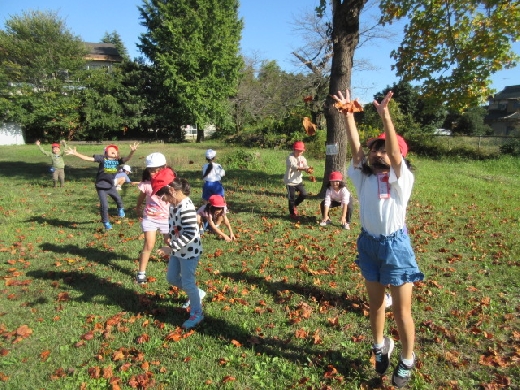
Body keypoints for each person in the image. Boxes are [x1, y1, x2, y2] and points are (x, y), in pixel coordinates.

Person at [332, 89, 423, 388]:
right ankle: (379, 345)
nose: (378, 153)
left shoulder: (402, 180)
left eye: (384, 149)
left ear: (398, 155)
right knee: (376, 306)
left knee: (401, 310)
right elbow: (357, 149)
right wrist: (348, 117)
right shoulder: (363, 176)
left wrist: (385, 117)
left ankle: (407, 360)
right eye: (376, 149)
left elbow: (395, 156)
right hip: (369, 244)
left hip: (396, 248)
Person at [155, 174, 205, 330]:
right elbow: (174, 224)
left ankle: (197, 313)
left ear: (172, 190)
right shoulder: (173, 204)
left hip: (189, 252)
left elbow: (190, 233)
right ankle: (197, 293)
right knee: (171, 278)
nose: (162, 199)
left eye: (163, 195)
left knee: (188, 282)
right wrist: (168, 236)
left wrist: (170, 247)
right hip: (178, 250)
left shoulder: (187, 208)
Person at [66, 142, 139, 230]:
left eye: (115, 151)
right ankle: (105, 222)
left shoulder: (117, 161)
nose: (113, 151)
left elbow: (127, 158)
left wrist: (132, 152)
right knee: (104, 206)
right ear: (105, 153)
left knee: (118, 199)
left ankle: (120, 209)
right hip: (101, 187)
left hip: (111, 186)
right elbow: (87, 158)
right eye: (111, 150)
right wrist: (76, 153)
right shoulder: (102, 159)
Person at [135, 166, 171, 284]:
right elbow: (141, 198)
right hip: (150, 218)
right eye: (152, 170)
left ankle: (174, 260)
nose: (155, 173)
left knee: (170, 242)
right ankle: (141, 274)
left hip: (167, 219)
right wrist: (137, 207)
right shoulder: (146, 185)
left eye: (158, 170)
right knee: (149, 244)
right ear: (147, 170)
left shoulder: (168, 182)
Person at [284, 141, 312, 220]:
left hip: (298, 181)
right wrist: (305, 168)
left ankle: (295, 204)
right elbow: (294, 167)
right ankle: (292, 213)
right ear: (294, 150)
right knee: (291, 197)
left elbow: (305, 165)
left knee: (304, 194)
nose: (300, 152)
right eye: (298, 150)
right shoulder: (290, 158)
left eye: (301, 151)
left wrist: (308, 169)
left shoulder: (303, 158)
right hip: (290, 181)